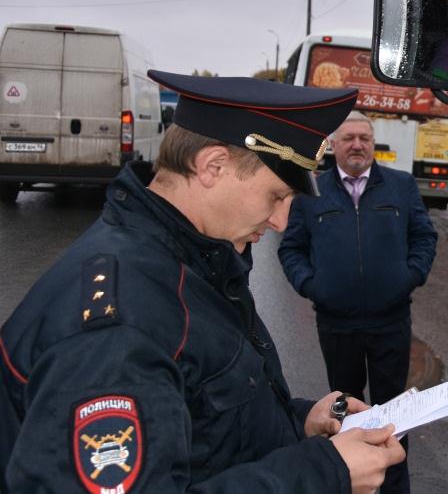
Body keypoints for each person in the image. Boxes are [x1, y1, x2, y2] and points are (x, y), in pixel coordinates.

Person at [0, 71, 405, 493]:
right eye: (276, 196)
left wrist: (298, 421)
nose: (281, 221)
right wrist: (323, 472)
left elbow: (201, 421)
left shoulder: (191, 260)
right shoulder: (117, 334)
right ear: (213, 166)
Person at [278, 112, 437, 494]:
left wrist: (410, 276)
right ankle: (353, 482)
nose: (357, 145)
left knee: (394, 415)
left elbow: (424, 237)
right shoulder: (311, 192)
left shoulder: (400, 185)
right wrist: (312, 285)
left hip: (390, 321)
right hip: (336, 323)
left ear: (372, 143)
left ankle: (395, 488)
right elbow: (292, 248)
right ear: (333, 145)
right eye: (349, 138)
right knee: (345, 411)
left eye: (364, 138)